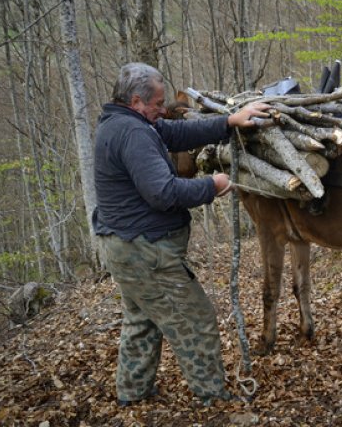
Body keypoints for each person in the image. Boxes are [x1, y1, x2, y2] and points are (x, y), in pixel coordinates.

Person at [93, 62, 269, 406]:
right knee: (195, 320)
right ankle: (213, 398)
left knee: (143, 320)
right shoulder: (132, 133)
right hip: (145, 253)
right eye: (157, 104)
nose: (163, 110)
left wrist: (228, 123)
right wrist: (210, 186)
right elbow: (162, 192)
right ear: (135, 101)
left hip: (127, 248)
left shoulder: (127, 123)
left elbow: (174, 134)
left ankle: (133, 393)